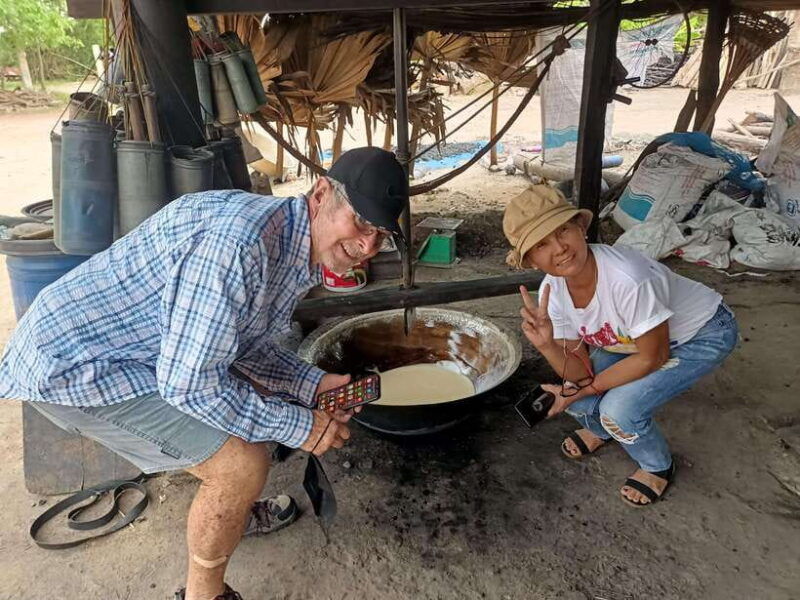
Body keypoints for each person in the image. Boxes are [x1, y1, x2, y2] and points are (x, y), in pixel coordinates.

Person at [0, 147, 408, 600]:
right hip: (76, 365)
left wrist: (310, 384)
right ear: (320, 193)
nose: (368, 247)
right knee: (240, 464)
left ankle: (229, 515)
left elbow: (242, 344)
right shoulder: (237, 247)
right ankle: (204, 594)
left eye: (381, 234)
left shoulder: (289, 240)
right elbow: (188, 384)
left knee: (251, 410)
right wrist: (299, 425)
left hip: (134, 350)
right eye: (360, 222)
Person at [503, 185, 738, 507]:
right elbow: (577, 371)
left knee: (618, 410)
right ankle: (603, 430)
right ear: (530, 261)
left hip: (701, 333)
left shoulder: (628, 279)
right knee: (575, 396)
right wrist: (547, 345)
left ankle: (656, 465)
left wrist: (584, 389)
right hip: (630, 340)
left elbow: (653, 357)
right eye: (542, 244)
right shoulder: (553, 293)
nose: (559, 248)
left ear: (581, 228)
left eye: (563, 231)